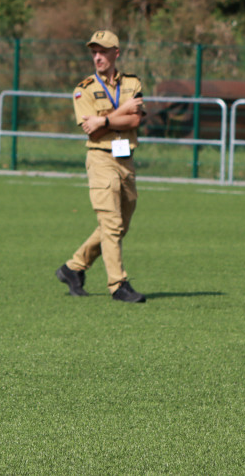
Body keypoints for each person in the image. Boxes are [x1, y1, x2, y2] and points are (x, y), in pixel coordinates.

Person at [56, 30, 147, 303]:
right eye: (94, 52)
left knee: (119, 225)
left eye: (103, 51)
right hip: (100, 159)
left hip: (126, 159)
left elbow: (134, 122)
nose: (97, 57)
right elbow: (91, 132)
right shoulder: (82, 89)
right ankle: (118, 285)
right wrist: (120, 112)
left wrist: (104, 120)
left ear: (116, 53)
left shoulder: (132, 83)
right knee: (111, 223)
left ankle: (73, 268)